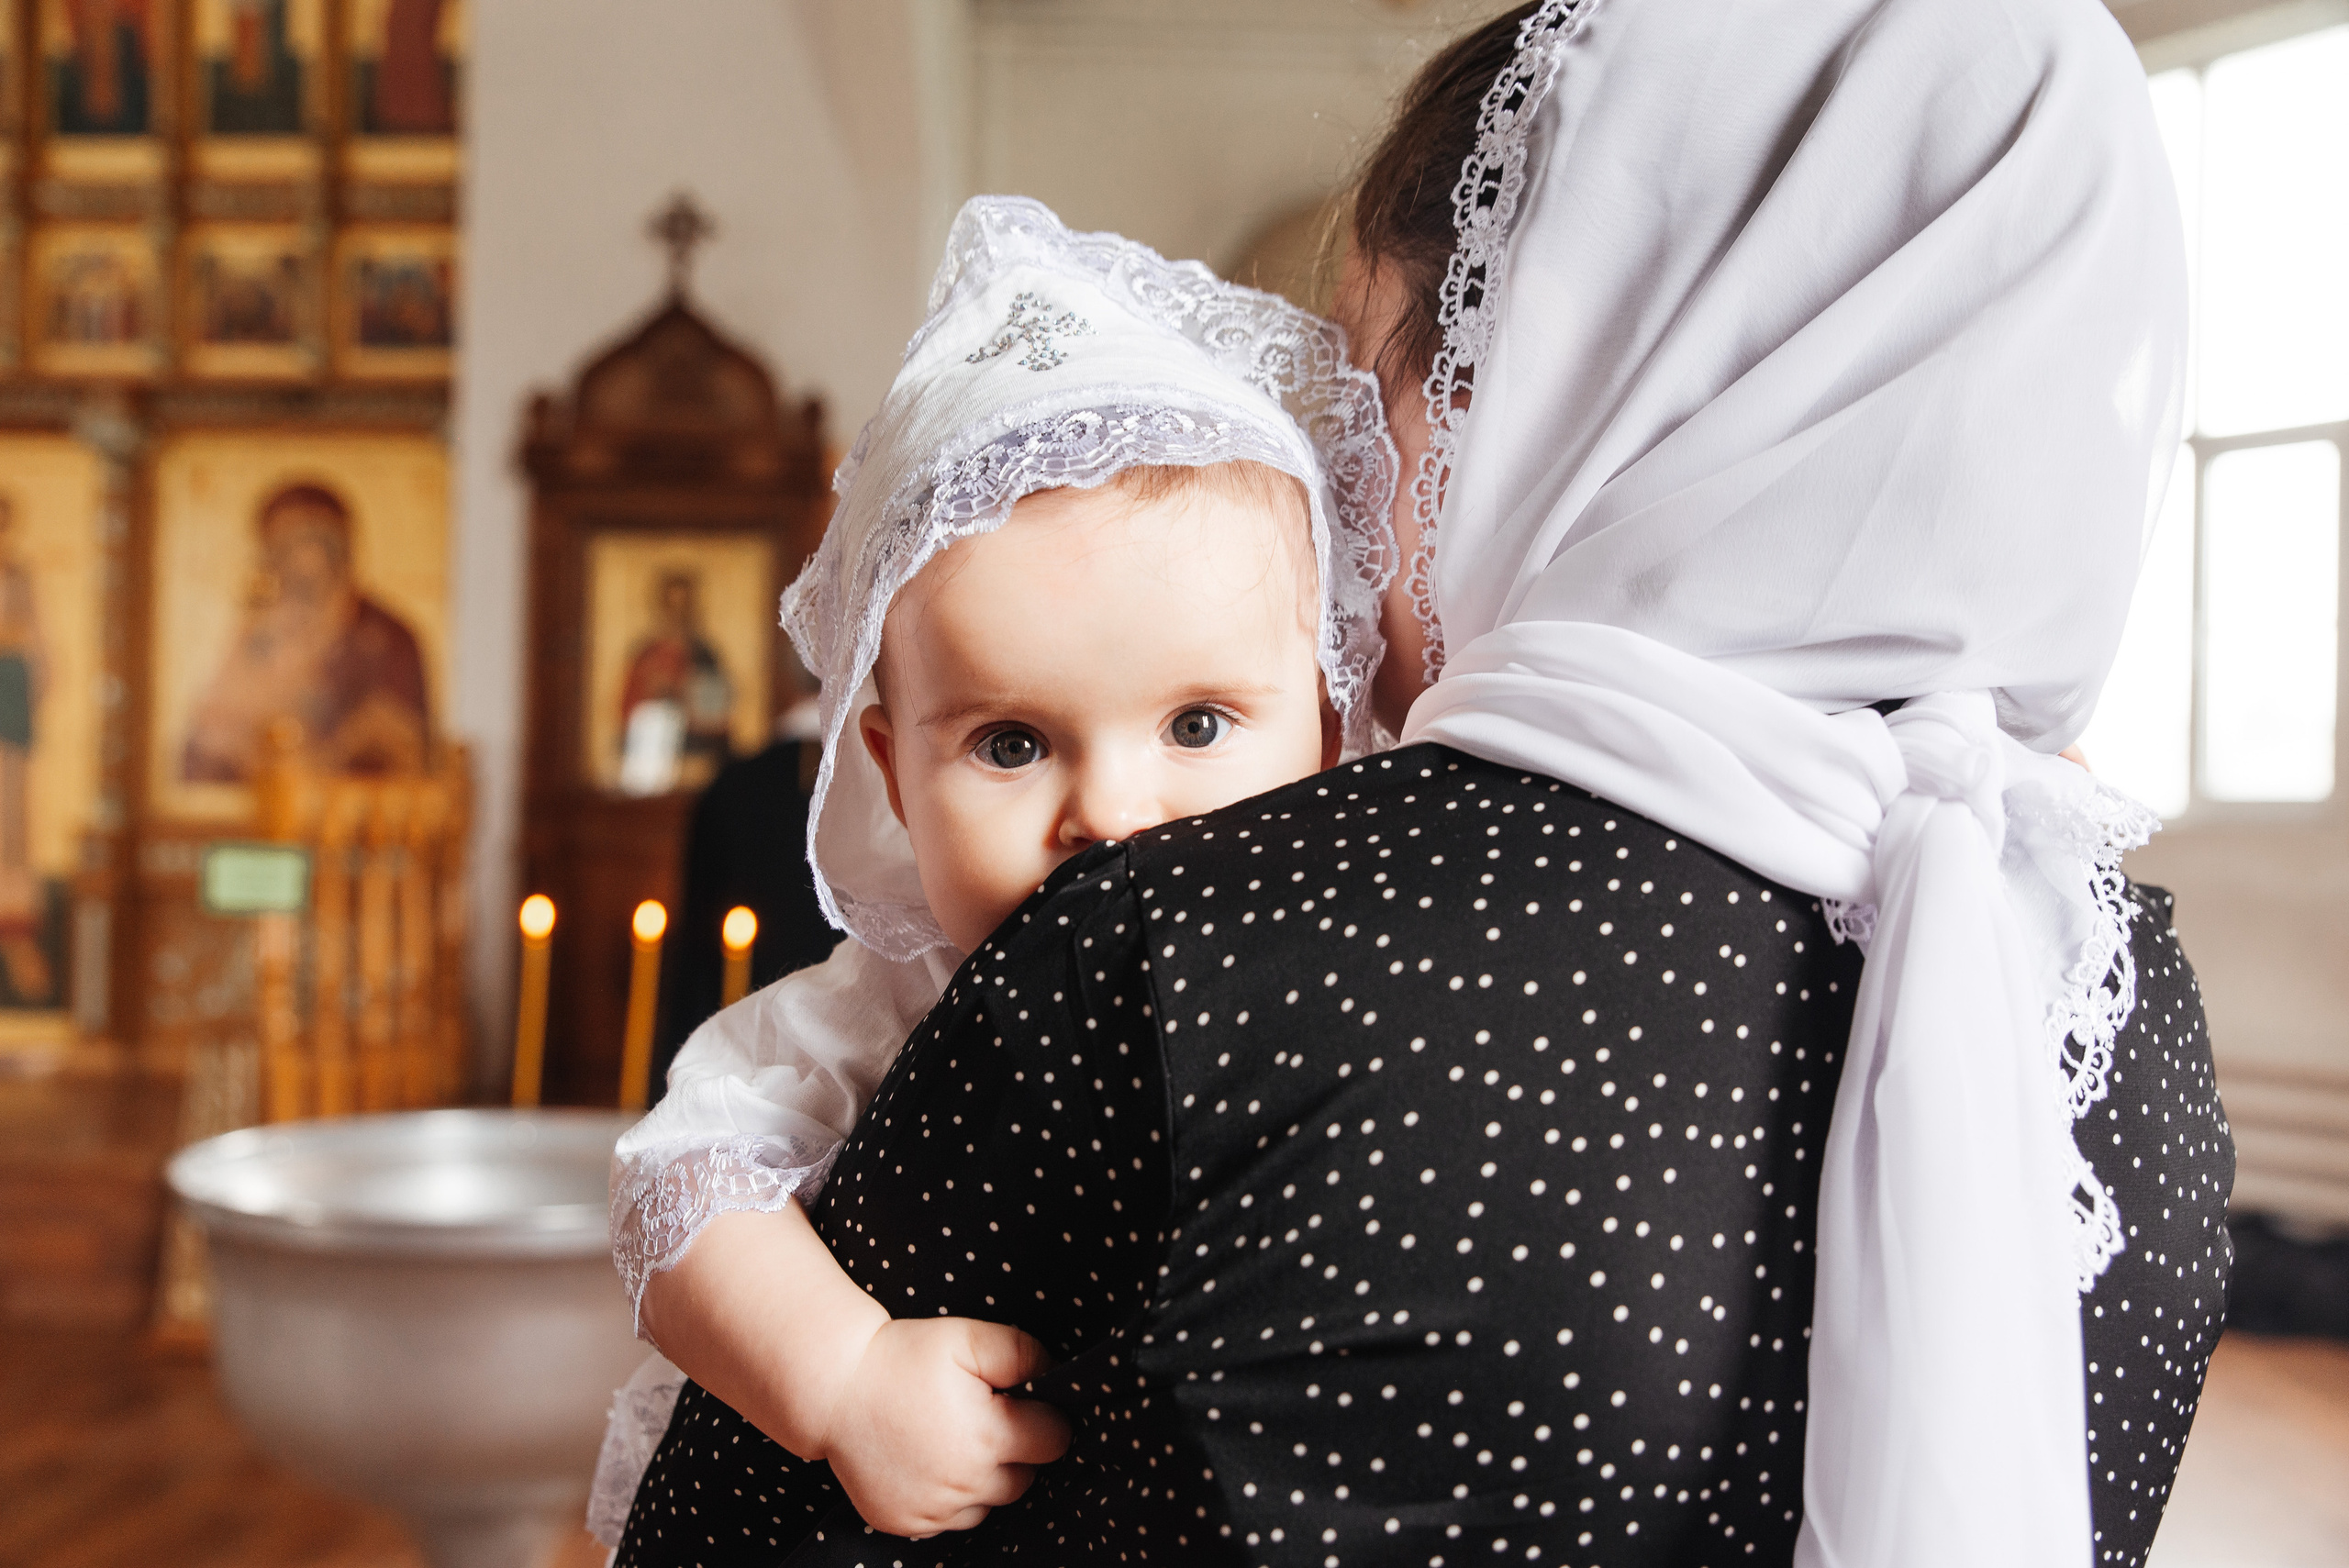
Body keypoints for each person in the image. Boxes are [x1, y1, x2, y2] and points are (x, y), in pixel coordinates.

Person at [618, 2, 2233, 1562]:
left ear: (1521, 377)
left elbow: (730, 1526)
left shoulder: (1180, 937)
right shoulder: (2119, 1001)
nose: (1363, 501)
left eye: (1375, 394)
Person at [591, 193, 1396, 1548]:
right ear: (895, 770)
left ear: (1325, 725)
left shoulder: (1349, 965)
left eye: (1197, 725)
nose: (1111, 811)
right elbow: (679, 1183)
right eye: (1012, 742)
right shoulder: (902, 997)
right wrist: (842, 1375)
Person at [181, 483, 431, 782]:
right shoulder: (260, 633)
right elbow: (211, 738)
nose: (300, 561)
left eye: (313, 541)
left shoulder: (388, 638)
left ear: (339, 549)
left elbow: (404, 746)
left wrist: (344, 746)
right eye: (284, 547)